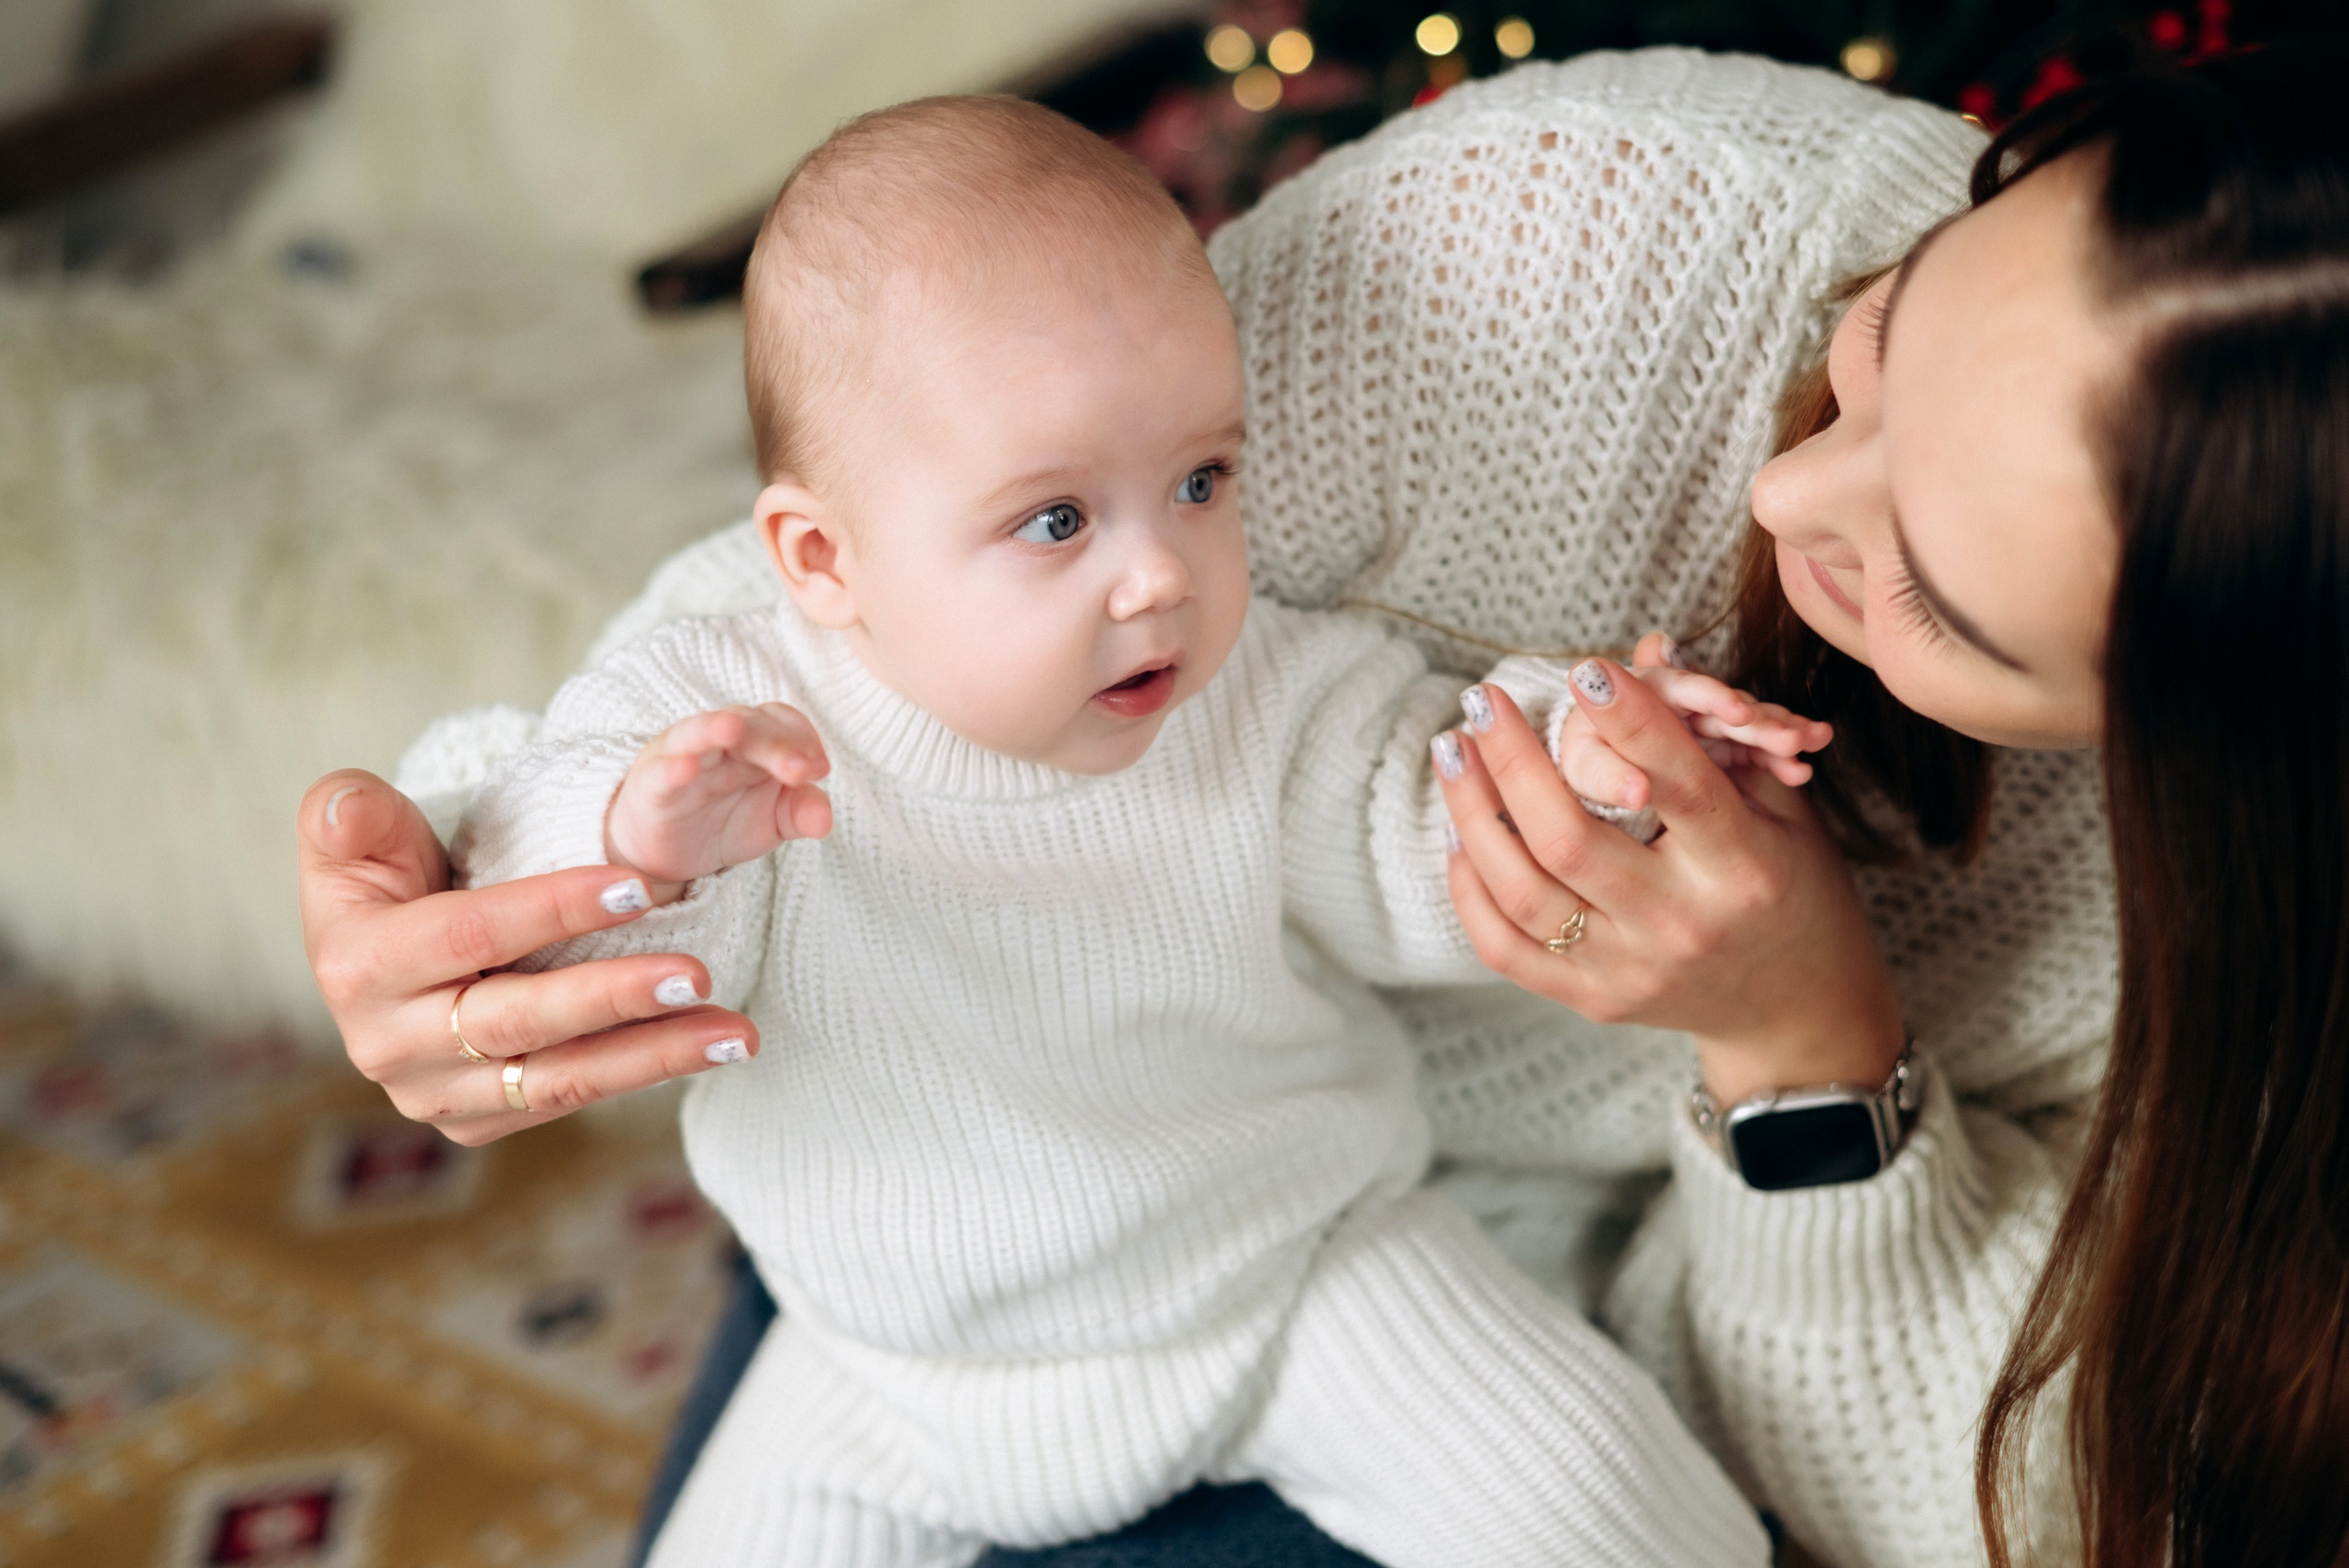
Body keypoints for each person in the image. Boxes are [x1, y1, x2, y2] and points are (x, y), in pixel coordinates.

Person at [292, 43, 2343, 1568]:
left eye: (1934, 593)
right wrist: (539, 868)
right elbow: (862, 556)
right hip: (901, 1310)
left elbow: (1992, 1505)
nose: (1788, 496)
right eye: (1879, 341)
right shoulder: (1565, 245)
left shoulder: (2259, 975)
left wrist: (1798, 1042)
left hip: (1339, 1260)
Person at [446, 94, 1825, 1568]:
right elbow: (563, 916)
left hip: (1301, 1275)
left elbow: (1423, 810)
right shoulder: (720, 721)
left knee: (1607, 1503)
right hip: (889, 1366)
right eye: (1056, 521)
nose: (1159, 575)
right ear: (822, 558)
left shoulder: (1254, 692)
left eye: (1200, 481)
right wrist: (640, 850)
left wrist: (1604, 757)